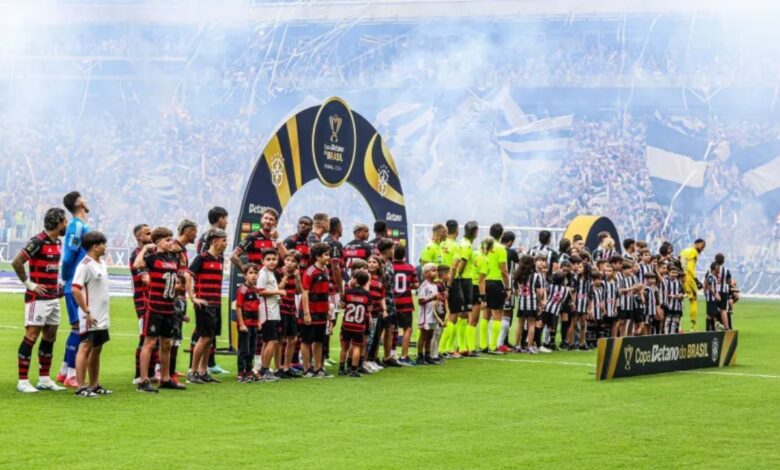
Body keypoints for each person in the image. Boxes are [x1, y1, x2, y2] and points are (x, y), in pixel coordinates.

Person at [12, 208, 68, 393]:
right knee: (31, 336)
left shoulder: (57, 242)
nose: (66, 225)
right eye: (65, 222)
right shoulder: (37, 241)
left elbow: (51, 268)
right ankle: (22, 381)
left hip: (53, 297)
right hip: (38, 298)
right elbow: (17, 262)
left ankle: (44, 379)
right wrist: (30, 284)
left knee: (50, 336)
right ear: (58, 223)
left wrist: (57, 285)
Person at [133, 227, 186, 392]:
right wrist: (144, 250)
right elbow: (137, 265)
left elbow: (182, 266)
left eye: (171, 239)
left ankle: (165, 378)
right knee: (149, 343)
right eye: (167, 240)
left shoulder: (173, 258)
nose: (171, 242)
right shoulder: (152, 257)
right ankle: (143, 380)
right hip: (154, 307)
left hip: (169, 308)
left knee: (166, 344)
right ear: (158, 242)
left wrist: (179, 251)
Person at [72, 231, 112, 397]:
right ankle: (81, 387)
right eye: (103, 244)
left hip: (102, 315)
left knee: (97, 349)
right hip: (90, 316)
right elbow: (75, 289)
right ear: (95, 246)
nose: (105, 247)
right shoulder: (85, 265)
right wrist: (87, 311)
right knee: (85, 347)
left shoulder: (101, 263)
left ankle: (94, 385)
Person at [59, 191, 91, 387]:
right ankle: (72, 374)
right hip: (75, 284)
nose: (87, 200)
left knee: (77, 327)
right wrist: (66, 279)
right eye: (84, 198)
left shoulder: (82, 225)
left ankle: (64, 371)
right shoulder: (76, 226)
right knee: (79, 328)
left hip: (79, 282)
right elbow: (69, 256)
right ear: (80, 204)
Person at [187, 229, 227, 385]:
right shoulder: (201, 258)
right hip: (204, 304)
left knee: (210, 338)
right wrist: (193, 297)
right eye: (224, 240)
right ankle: (192, 372)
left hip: (216, 303)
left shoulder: (220, 258)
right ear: (214, 241)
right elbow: (188, 275)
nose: (226, 243)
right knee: (204, 338)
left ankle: (203, 371)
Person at [446, 220, 478, 358]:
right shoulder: (466, 245)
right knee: (459, 314)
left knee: (463, 314)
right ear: (475, 232)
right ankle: (451, 347)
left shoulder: (464, 243)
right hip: (464, 281)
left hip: (464, 280)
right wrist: (458, 278)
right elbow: (461, 264)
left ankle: (462, 346)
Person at [301, 242, 332, 378]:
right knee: (306, 341)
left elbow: (326, 292)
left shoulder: (325, 270)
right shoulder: (310, 271)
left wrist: (328, 309)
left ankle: (318, 368)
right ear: (318, 257)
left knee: (319, 341)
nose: (328, 257)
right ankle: (307, 369)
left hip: (322, 312)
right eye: (326, 255)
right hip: (311, 311)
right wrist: (306, 314)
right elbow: (305, 293)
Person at [478, 224, 509, 353]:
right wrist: (508, 287)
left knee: (485, 314)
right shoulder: (501, 249)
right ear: (501, 234)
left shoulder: (483, 245)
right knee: (497, 315)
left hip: (483, 281)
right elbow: (503, 271)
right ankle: (493, 346)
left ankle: (483, 345)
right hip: (496, 282)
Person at [257, 249, 286, 382]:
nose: (271, 262)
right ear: (263, 261)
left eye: (274, 259)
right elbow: (260, 291)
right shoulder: (263, 274)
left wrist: (277, 297)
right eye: (268, 259)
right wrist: (278, 292)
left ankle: (263, 369)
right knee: (272, 341)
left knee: (268, 341)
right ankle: (264, 369)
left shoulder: (270, 273)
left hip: (273, 310)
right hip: (268, 312)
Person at [129, 224, 153, 384]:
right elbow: (145, 279)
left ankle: (150, 373)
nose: (151, 236)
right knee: (144, 338)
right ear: (138, 236)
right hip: (143, 301)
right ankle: (139, 375)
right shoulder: (136, 255)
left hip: (153, 300)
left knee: (153, 338)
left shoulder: (151, 253)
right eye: (147, 233)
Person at [231, 208, 285, 273]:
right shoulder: (252, 237)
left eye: (271, 219)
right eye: (266, 218)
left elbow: (286, 258)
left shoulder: (277, 240)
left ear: (275, 223)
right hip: (257, 278)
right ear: (261, 219)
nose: (268, 221)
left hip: (273, 278)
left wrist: (278, 239)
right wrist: (246, 272)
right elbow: (233, 256)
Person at [338, 270, 371, 378]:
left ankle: (341, 369)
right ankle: (353, 370)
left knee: (344, 347)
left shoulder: (348, 292)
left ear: (355, 279)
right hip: (359, 325)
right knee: (356, 347)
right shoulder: (367, 294)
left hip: (347, 324)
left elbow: (342, 305)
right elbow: (369, 308)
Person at [322, 217, 344, 367]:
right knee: (330, 321)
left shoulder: (324, 241)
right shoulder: (335, 243)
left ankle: (325, 354)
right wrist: (341, 289)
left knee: (329, 321)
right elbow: (335, 267)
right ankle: (322, 355)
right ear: (338, 228)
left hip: (327, 287)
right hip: (331, 289)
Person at [392, 244, 418, 365]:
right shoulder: (410, 268)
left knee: (391, 329)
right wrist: (408, 285)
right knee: (407, 328)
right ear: (404, 254)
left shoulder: (389, 267)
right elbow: (416, 284)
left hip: (391, 302)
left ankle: (390, 354)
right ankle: (404, 355)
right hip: (405, 302)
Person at [279, 251, 303, 378]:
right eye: (288, 260)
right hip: (280, 309)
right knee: (280, 340)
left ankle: (287, 367)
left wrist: (298, 278)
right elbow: (278, 288)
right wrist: (285, 276)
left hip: (291, 309)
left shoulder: (296, 274)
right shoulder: (279, 272)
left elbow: (299, 291)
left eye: (293, 261)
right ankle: (278, 367)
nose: (289, 263)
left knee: (293, 339)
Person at [235, 264, 261, 382]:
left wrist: (259, 321)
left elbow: (258, 307)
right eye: (251, 273)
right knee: (243, 349)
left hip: (254, 324)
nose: (254, 276)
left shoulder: (256, 290)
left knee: (252, 349)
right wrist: (241, 324)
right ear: (245, 276)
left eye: (255, 273)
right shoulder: (242, 289)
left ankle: (249, 371)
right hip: (245, 324)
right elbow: (238, 307)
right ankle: (241, 372)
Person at [513, 255, 543, 353]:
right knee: (531, 324)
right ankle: (530, 347)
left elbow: (515, 291)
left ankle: (517, 345)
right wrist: (540, 302)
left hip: (521, 303)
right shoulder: (536, 276)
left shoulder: (517, 275)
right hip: (532, 303)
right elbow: (539, 292)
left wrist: (520, 297)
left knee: (520, 324)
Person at [498, 231, 520, 352]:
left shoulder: (494, 250)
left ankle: (495, 341)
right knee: (507, 313)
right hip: (507, 284)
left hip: (494, 282)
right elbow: (518, 267)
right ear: (510, 242)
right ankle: (502, 342)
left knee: (496, 313)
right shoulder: (511, 252)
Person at [680, 239, 706, 331]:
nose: (702, 248)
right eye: (702, 245)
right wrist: (697, 280)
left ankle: (678, 326)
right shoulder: (694, 252)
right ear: (696, 244)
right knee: (693, 301)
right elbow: (690, 268)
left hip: (681, 278)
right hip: (689, 279)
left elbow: (679, 262)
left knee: (679, 300)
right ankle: (693, 326)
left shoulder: (684, 251)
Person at [541, 272, 571, 353]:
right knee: (552, 327)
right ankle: (551, 343)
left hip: (547, 308)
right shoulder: (566, 290)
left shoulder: (550, 286)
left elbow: (545, 291)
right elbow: (566, 299)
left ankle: (544, 343)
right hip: (555, 310)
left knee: (543, 325)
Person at [416, 263, 439, 365]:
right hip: (426, 315)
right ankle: (420, 355)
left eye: (436, 270)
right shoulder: (424, 285)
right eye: (433, 270)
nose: (436, 272)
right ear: (426, 273)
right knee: (424, 335)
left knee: (430, 335)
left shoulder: (435, 285)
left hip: (433, 314)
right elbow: (420, 301)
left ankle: (428, 355)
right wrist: (431, 298)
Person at [704, 263, 725, 331]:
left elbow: (714, 288)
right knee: (710, 315)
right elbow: (709, 287)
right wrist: (715, 296)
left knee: (712, 314)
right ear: (714, 268)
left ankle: (712, 329)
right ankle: (707, 330)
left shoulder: (714, 276)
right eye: (717, 267)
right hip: (711, 298)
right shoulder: (710, 276)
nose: (719, 268)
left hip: (713, 298)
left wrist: (717, 294)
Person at [664, 266, 684, 334]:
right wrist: (672, 296)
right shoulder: (666, 282)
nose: (674, 274)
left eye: (676, 273)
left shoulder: (679, 282)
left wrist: (681, 295)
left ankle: (672, 335)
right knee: (668, 321)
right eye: (673, 272)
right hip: (669, 305)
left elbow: (682, 293)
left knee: (675, 322)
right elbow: (664, 293)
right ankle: (666, 335)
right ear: (669, 273)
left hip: (677, 306)